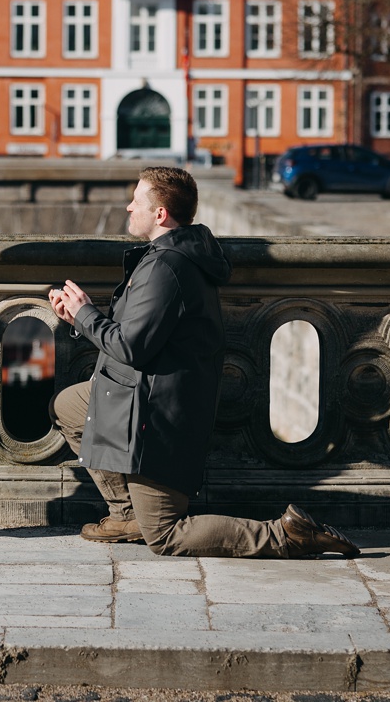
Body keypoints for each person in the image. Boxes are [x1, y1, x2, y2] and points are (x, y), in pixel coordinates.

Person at [48, 167, 359, 559]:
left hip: (154, 414)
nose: (128, 206)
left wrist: (85, 316)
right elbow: (139, 333)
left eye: (137, 201)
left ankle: (285, 535)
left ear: (160, 214)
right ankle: (127, 515)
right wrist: (80, 317)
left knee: (165, 536)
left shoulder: (166, 267)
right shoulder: (170, 256)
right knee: (68, 407)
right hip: (139, 393)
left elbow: (132, 347)